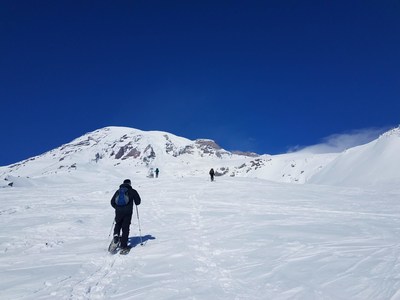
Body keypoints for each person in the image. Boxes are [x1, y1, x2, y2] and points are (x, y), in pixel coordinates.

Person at [110, 179, 141, 251]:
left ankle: (116, 235)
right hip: (128, 212)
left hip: (118, 212)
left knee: (118, 224)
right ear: (130, 184)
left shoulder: (118, 191)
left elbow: (112, 202)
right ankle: (123, 245)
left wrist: (117, 208)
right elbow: (138, 202)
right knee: (125, 227)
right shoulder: (133, 191)